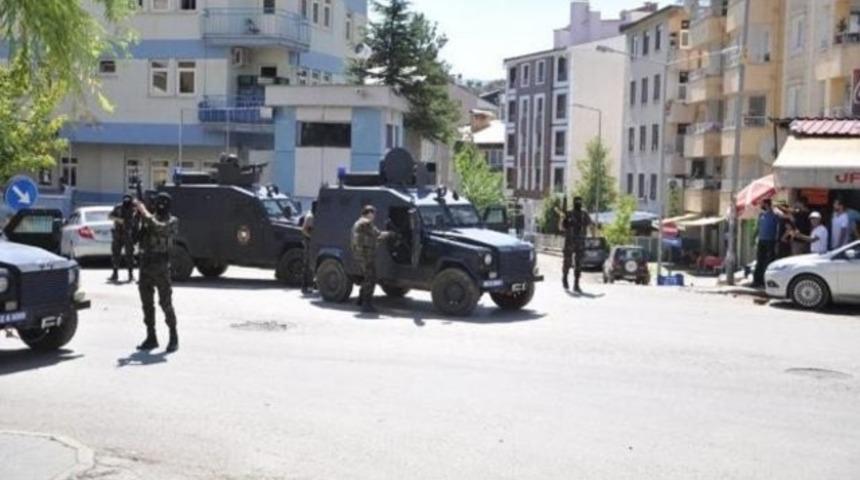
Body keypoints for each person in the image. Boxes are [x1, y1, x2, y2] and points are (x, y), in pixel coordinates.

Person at [134, 193, 180, 352]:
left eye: (163, 202)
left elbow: (160, 228)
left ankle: (173, 336)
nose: (160, 205)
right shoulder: (149, 218)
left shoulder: (173, 221)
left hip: (161, 265)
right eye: (158, 202)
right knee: (147, 304)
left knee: (165, 303)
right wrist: (137, 218)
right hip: (145, 264)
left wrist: (143, 211)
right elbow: (136, 237)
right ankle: (151, 336)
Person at [351, 206, 395, 313]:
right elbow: (378, 234)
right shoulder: (366, 223)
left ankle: (360, 300)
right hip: (366, 255)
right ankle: (366, 304)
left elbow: (375, 236)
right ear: (369, 213)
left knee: (366, 277)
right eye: (373, 213)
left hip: (359, 255)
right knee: (371, 278)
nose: (374, 216)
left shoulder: (358, 222)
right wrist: (390, 234)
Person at [555, 197, 592, 293]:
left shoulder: (584, 214)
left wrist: (591, 237)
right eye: (577, 202)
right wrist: (563, 220)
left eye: (580, 201)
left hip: (580, 242)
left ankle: (576, 284)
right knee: (567, 262)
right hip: (570, 241)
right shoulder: (568, 213)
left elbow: (589, 225)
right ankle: (565, 278)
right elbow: (561, 228)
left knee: (579, 264)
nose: (578, 203)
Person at [108, 195, 138, 283]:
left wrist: (135, 236)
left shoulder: (134, 209)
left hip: (128, 235)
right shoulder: (118, 207)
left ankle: (130, 274)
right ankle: (115, 273)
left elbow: (136, 222)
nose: (126, 202)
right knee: (115, 254)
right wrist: (119, 220)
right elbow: (110, 216)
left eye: (128, 201)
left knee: (129, 255)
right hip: (118, 234)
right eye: (125, 200)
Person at [752, 198, 780, 288]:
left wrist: (777, 240)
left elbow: (778, 228)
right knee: (760, 261)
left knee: (769, 261)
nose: (761, 206)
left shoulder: (775, 215)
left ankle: (766, 281)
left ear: (767, 204)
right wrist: (753, 238)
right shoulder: (761, 215)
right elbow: (757, 228)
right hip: (761, 240)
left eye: (763, 204)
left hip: (770, 241)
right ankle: (757, 281)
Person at [300, 202, 316, 294]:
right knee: (308, 264)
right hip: (308, 241)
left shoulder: (310, 214)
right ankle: (305, 285)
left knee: (310, 264)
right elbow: (304, 230)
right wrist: (311, 237)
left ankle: (310, 284)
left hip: (310, 241)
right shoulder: (310, 217)